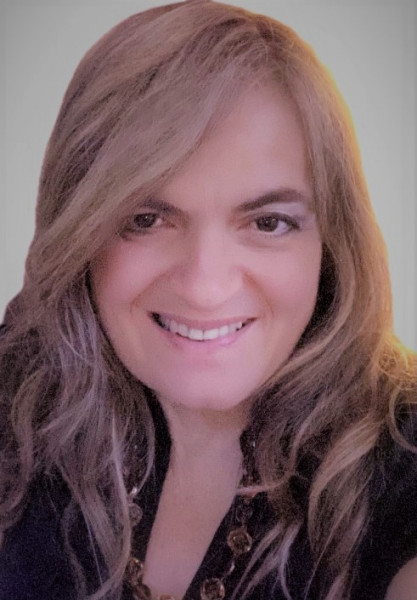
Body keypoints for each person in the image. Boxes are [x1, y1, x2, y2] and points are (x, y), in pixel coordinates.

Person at [0, 1, 416, 599]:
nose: (204, 285)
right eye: (146, 218)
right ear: (80, 230)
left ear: (332, 241)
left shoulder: (403, 460)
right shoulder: (21, 390)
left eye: (268, 222)